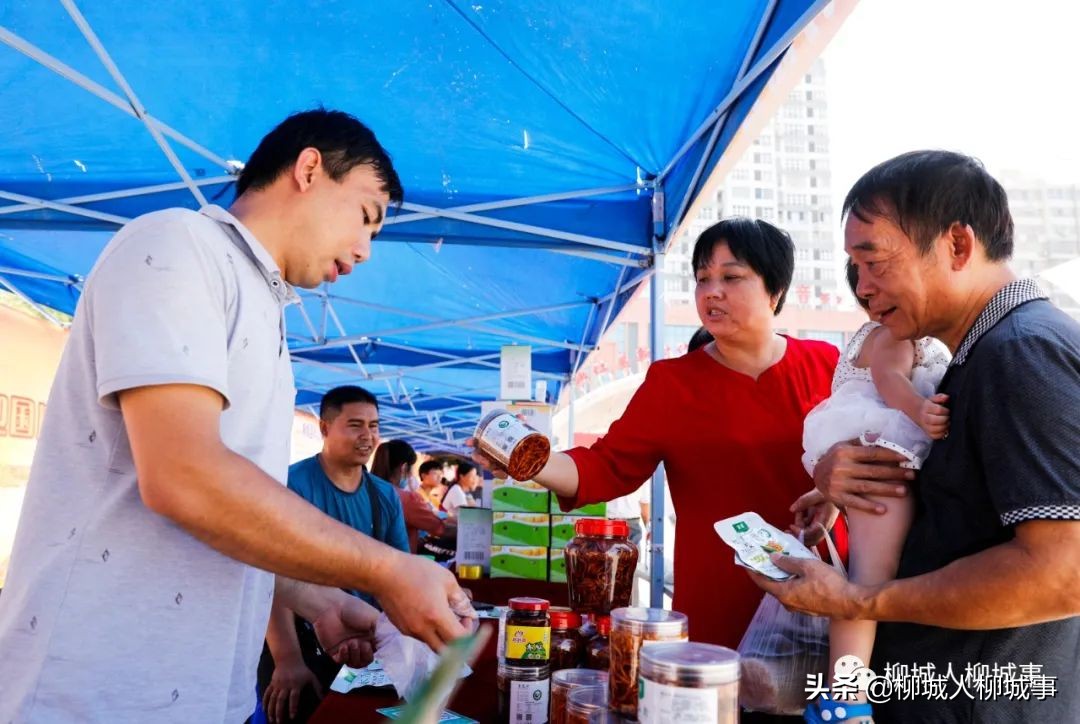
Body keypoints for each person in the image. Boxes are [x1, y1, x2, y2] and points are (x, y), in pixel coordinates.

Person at [0, 109, 473, 723]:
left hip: (203, 695)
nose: (363, 250)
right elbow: (185, 477)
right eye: (366, 216)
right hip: (94, 692)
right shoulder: (175, 244)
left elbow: (224, 522)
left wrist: (318, 602)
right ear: (309, 169)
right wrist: (386, 570)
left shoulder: (266, 312)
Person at [755, 151, 1080, 723]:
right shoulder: (979, 355)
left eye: (875, 261)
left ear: (957, 245)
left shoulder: (1023, 352)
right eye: (854, 268)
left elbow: (1063, 573)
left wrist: (857, 600)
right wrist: (840, 480)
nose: (863, 287)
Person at [471, 218, 839, 657]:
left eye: (731, 277)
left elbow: (875, 461)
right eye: (703, 279)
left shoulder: (829, 365)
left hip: (828, 593)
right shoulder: (672, 383)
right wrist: (529, 459)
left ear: (775, 290)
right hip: (720, 603)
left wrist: (836, 498)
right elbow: (605, 467)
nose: (711, 291)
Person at [794, 262, 951, 723]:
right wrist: (922, 411)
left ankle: (844, 695)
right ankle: (846, 700)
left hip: (877, 450)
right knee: (865, 585)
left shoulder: (884, 331)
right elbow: (889, 380)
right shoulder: (894, 333)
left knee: (864, 580)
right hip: (886, 452)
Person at [260, 385, 409, 723]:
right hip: (299, 644)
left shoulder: (384, 496)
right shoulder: (290, 486)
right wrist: (287, 660)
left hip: (362, 646)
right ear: (325, 429)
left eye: (374, 426)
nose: (367, 436)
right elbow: (268, 576)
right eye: (355, 425)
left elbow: (397, 575)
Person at [371, 439, 446, 553]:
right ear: (404, 468)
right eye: (412, 471)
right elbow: (439, 529)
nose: (412, 476)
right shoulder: (406, 498)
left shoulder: (364, 491)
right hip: (399, 564)